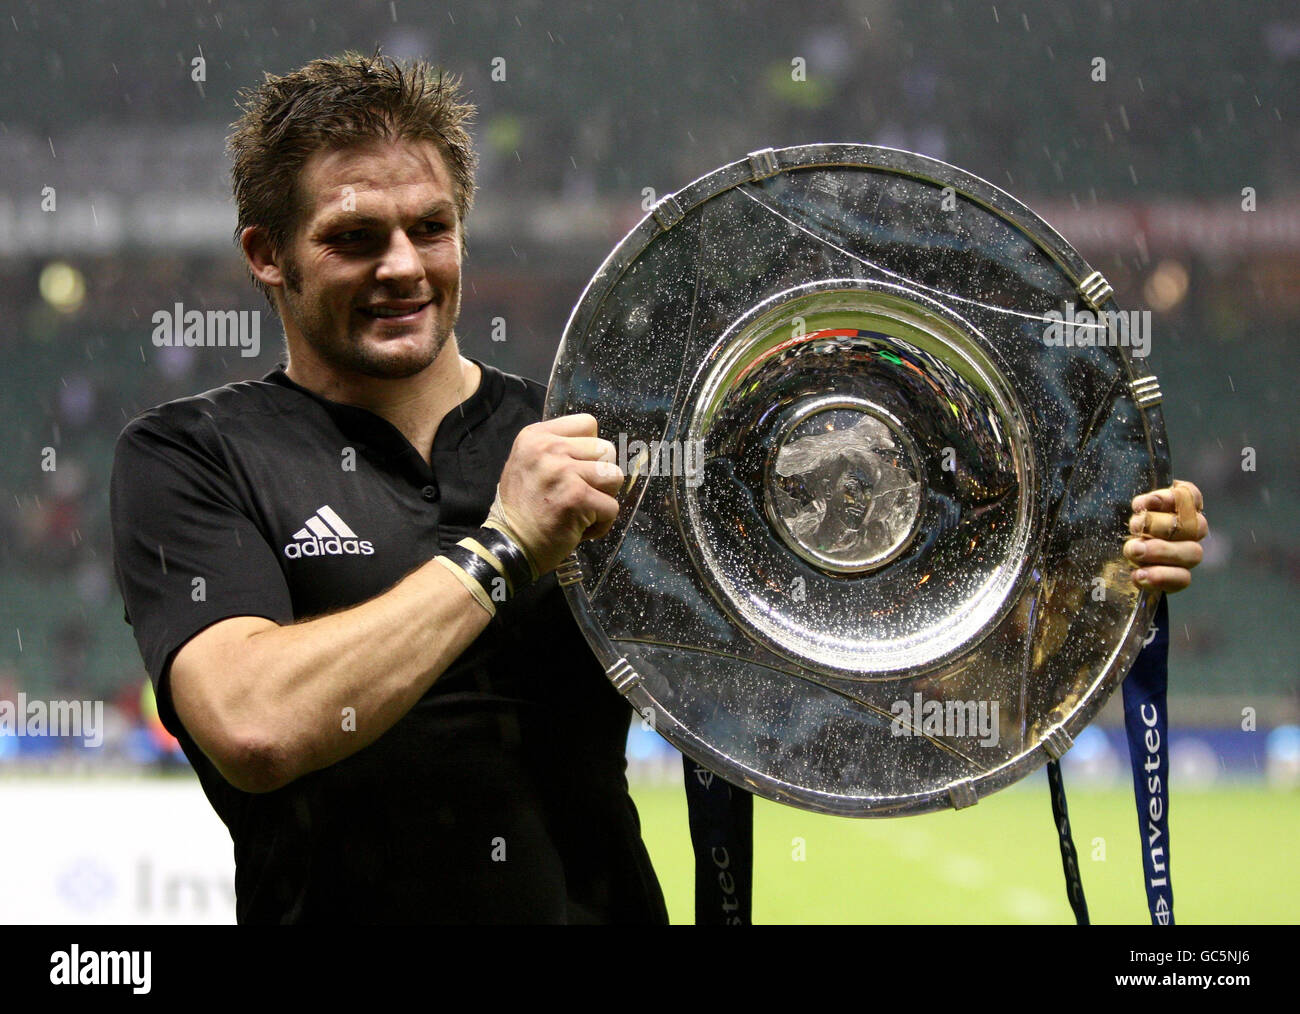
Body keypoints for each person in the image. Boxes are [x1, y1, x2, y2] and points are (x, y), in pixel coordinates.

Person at [109, 51, 1207, 925]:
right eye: (353, 237)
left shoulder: (593, 445)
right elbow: (252, 726)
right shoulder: (193, 455)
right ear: (265, 253)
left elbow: (863, 684)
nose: (403, 264)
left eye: (429, 228)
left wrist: (1088, 579)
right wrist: (500, 548)